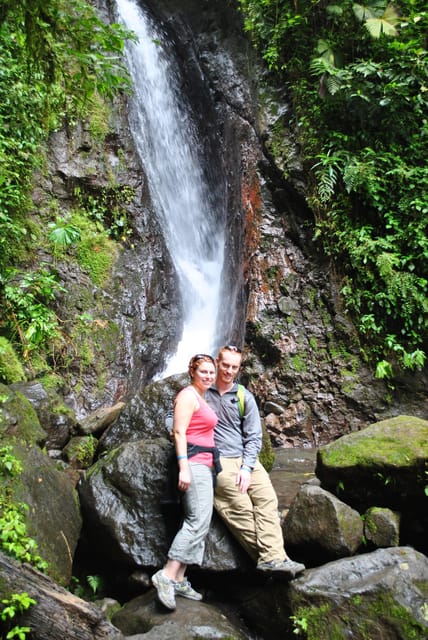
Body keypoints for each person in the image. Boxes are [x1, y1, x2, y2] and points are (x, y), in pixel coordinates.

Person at [205, 345, 305, 577]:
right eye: (225, 365)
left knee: (267, 499)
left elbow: (254, 437)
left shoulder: (244, 397)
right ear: (217, 362)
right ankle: (273, 559)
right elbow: (176, 414)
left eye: (234, 367)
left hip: (244, 458)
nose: (229, 370)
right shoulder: (201, 392)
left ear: (239, 369)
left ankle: (272, 560)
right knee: (240, 507)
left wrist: (248, 468)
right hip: (218, 460)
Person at [152, 354, 219, 610]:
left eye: (211, 372)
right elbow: (178, 432)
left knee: (201, 522)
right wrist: (184, 468)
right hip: (193, 463)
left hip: (204, 463)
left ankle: (180, 578)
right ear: (192, 371)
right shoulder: (188, 396)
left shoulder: (200, 397)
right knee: (195, 521)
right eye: (203, 371)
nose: (209, 376)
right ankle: (167, 575)